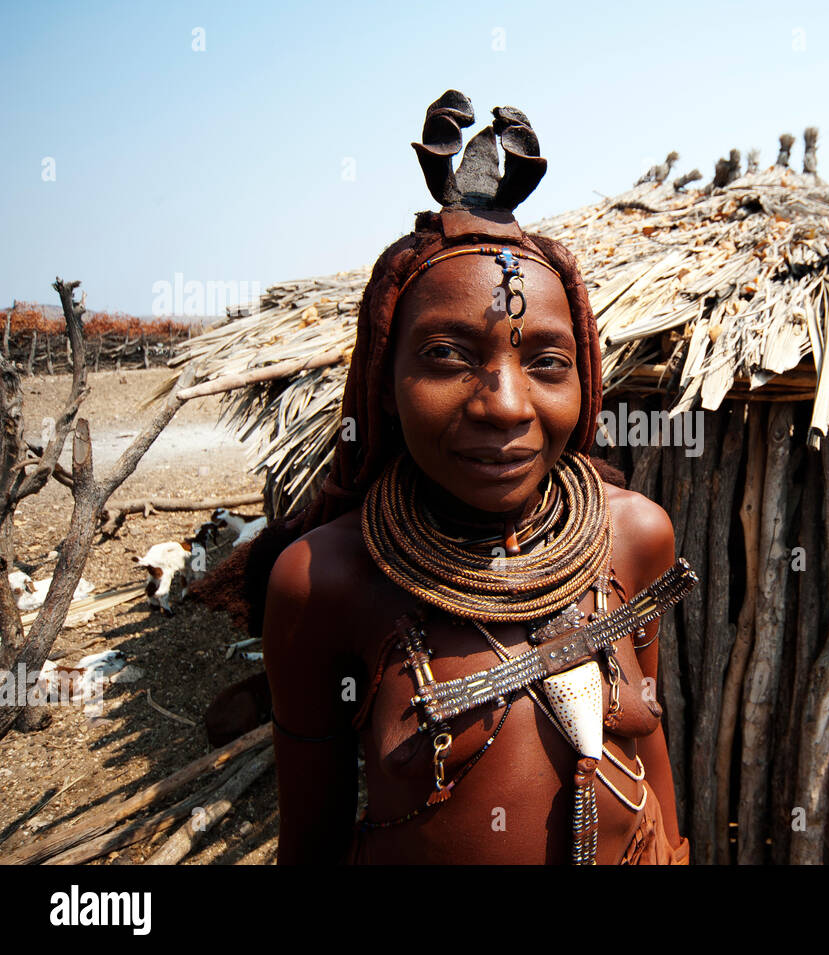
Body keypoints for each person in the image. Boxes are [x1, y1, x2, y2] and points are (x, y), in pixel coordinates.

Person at [190, 90, 690, 865]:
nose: (506, 404)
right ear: (383, 380)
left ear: (587, 381)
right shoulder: (323, 581)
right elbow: (313, 841)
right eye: (448, 357)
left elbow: (651, 760)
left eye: (548, 363)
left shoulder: (635, 536)